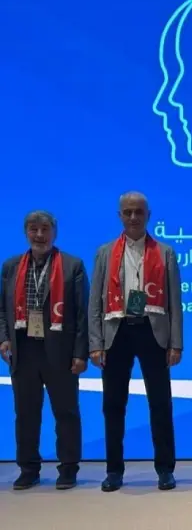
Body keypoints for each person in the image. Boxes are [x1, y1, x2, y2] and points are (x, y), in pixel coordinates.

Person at [88, 192, 183, 492]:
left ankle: (165, 469)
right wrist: (95, 343)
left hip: (153, 331)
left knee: (160, 403)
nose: (133, 217)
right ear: (119, 216)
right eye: (127, 212)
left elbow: (175, 301)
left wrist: (176, 343)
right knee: (113, 404)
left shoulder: (165, 252)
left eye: (138, 212)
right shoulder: (105, 252)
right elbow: (95, 301)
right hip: (116, 332)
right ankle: (114, 471)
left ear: (148, 215)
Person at [0, 210, 89, 491]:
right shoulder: (11, 266)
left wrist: (80, 353)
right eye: (33, 229)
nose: (39, 235)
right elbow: (1, 309)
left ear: (54, 232)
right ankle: (28, 469)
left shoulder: (72, 265)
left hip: (60, 351)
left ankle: (68, 468)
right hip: (23, 350)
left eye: (45, 229)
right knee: (26, 413)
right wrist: (3, 339)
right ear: (26, 232)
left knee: (66, 412)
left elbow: (82, 314)